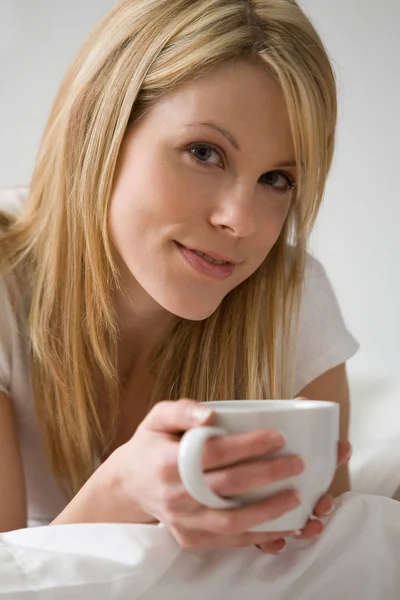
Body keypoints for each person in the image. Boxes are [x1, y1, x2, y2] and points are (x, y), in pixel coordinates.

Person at [0, 0, 358, 557]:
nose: (240, 221)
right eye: (204, 152)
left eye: (276, 179)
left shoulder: (290, 301)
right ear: (103, 130)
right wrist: (120, 490)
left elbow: (331, 567)